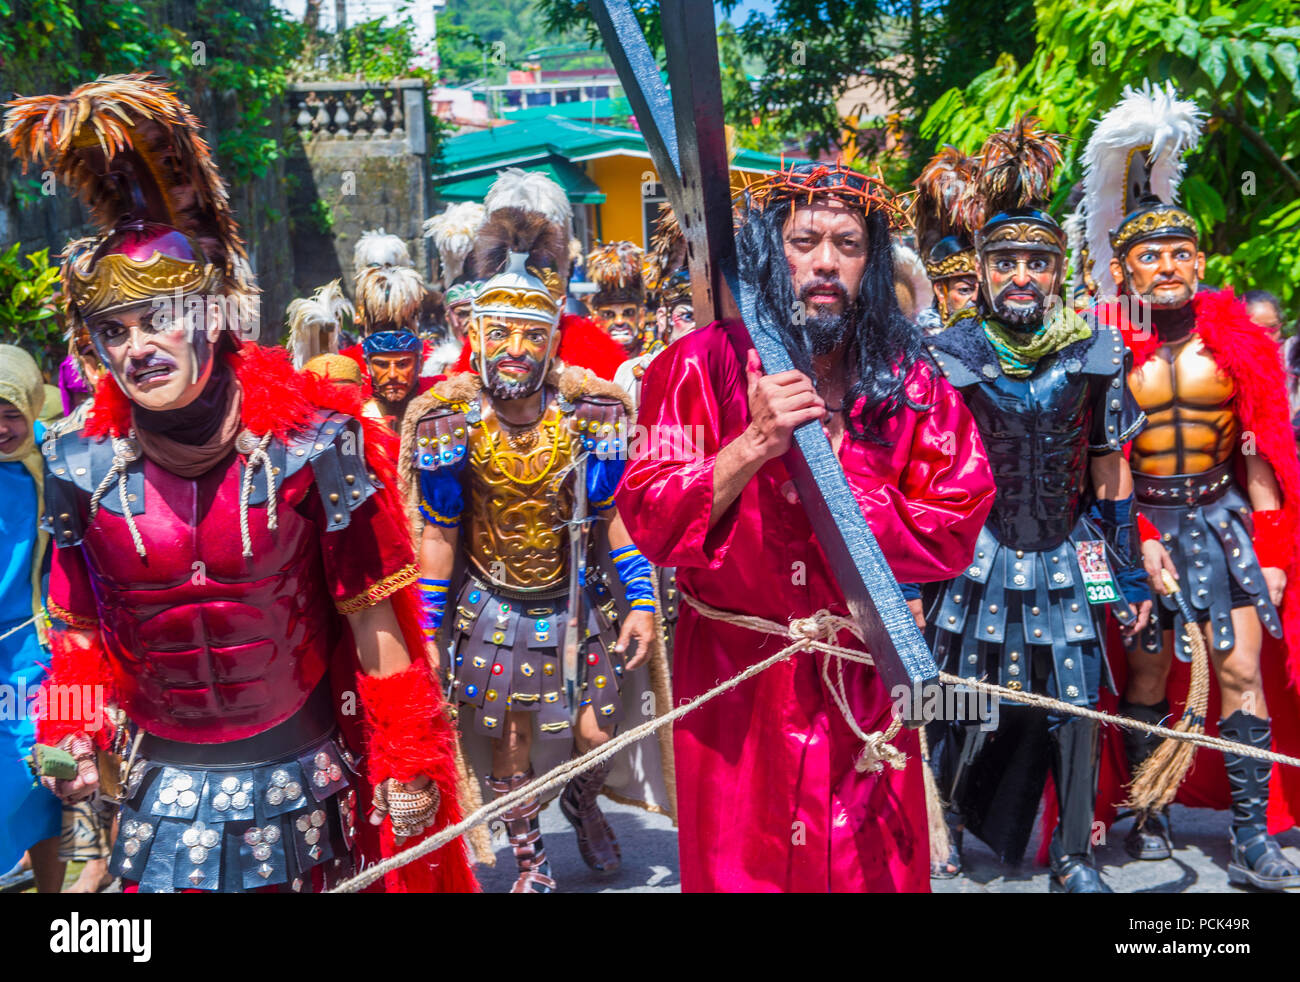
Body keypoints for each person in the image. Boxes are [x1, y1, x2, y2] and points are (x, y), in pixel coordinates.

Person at [4, 73, 474, 893]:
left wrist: (404, 757)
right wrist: (75, 740)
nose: (138, 348)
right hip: (159, 799)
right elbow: (78, 637)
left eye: (158, 320)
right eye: (115, 331)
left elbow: (374, 626)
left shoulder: (311, 448)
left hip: (303, 786)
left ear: (213, 317)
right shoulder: (80, 469)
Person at [616, 160, 996, 892]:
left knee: (870, 871)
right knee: (740, 868)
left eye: (848, 244)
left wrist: (837, 475)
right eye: (805, 241)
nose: (826, 262)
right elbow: (650, 519)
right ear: (770, 251)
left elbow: (955, 520)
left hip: (864, 674)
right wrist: (751, 446)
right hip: (736, 683)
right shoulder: (692, 367)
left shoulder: (912, 379)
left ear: (871, 260)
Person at [402, 175, 671, 893]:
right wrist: (426, 627)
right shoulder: (445, 425)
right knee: (511, 742)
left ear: (553, 337)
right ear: (474, 333)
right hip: (491, 604)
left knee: (595, 732)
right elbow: (438, 534)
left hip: (575, 597)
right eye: (502, 333)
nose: (515, 349)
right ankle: (531, 860)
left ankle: (584, 802)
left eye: (531, 333)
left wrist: (641, 597)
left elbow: (612, 515)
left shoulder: (594, 416)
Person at [1079, 81, 1300, 890]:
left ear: (1199, 262)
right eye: (1149, 255)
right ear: (1123, 264)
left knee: (1239, 670)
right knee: (1143, 670)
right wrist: (1134, 544)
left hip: (1226, 524)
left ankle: (1251, 837)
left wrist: (1274, 552)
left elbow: (1262, 454)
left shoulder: (1239, 344)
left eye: (1180, 253)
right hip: (1142, 527)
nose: (1166, 267)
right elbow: (1104, 464)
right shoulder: (1106, 351)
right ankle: (1148, 808)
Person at [925, 117, 1151, 893]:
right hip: (974, 550)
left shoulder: (1096, 351)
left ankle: (1074, 858)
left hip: (1071, 545)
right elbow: (925, 475)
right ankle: (944, 819)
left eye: (1036, 262)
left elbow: (1107, 466)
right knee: (952, 687)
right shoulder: (948, 356)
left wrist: (1125, 577)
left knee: (1079, 700)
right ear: (982, 271)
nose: (1021, 276)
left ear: (1058, 271)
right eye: (1006, 262)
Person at [0, 344, 63, 892]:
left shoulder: (61, 461)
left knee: (40, 776)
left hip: (36, 649)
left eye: (10, 412)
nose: (0, 427)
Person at [912, 145, 982, 334]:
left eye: (985, 291)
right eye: (965, 290)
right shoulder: (922, 351)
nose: (976, 299)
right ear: (941, 292)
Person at [588, 240, 646, 357]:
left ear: (640, 318)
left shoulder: (658, 356)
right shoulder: (584, 361)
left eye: (628, 313)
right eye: (609, 314)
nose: (619, 321)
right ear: (596, 319)